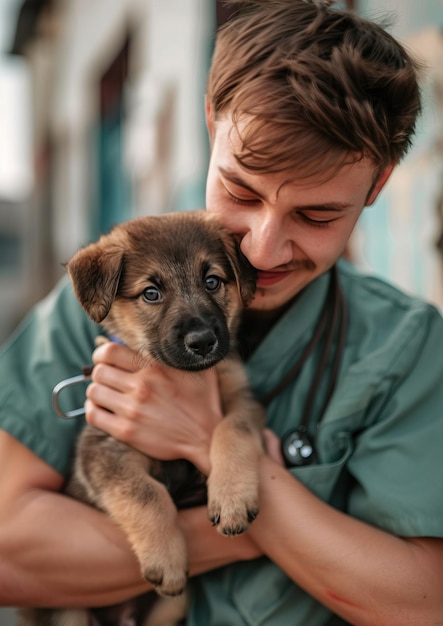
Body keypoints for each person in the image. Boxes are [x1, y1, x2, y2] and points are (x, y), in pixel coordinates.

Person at [1, 0, 443, 624]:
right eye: (241, 190)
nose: (261, 250)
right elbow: (7, 554)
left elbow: (423, 604)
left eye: (316, 215)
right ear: (212, 124)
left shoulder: (409, 349)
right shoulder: (102, 303)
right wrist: (257, 533)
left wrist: (209, 449)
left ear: (376, 187)